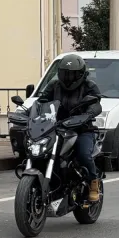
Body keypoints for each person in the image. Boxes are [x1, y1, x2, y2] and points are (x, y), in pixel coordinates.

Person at [37, 53, 103, 202]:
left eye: (72, 74)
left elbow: (96, 103)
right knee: (40, 151)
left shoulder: (89, 86)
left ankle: (94, 183)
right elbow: (41, 101)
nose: (68, 78)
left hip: (81, 129)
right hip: (56, 127)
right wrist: (28, 114)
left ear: (80, 74)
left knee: (83, 154)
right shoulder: (54, 85)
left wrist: (88, 114)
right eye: (65, 74)